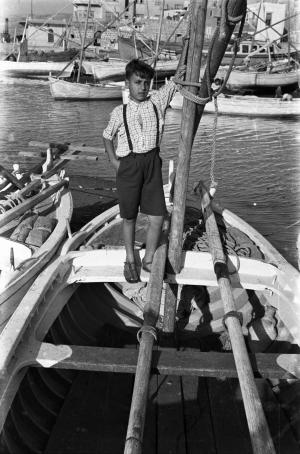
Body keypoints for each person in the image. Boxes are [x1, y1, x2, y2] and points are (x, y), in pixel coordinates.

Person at [103, 59, 178, 283]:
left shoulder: (157, 102)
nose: (143, 87)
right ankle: (130, 259)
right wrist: (115, 162)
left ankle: (149, 258)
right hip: (129, 165)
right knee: (129, 217)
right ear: (128, 83)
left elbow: (176, 81)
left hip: (152, 163)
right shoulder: (119, 112)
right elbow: (107, 136)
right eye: (138, 82)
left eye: (146, 83)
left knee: (157, 216)